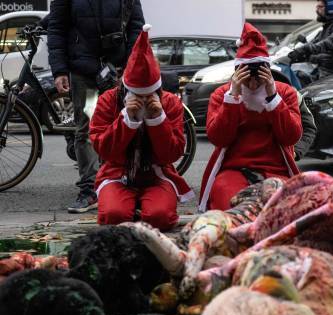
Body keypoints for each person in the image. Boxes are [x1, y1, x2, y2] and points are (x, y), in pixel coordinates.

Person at [89, 25, 194, 232]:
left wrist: (157, 119)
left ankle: (141, 209)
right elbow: (104, 149)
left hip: (157, 173)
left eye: (149, 95)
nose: (144, 101)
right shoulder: (109, 100)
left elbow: (171, 154)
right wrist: (127, 119)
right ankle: (130, 208)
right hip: (117, 173)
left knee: (160, 217)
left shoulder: (170, 103)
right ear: (125, 89)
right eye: (138, 95)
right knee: (113, 216)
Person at [47, 0, 145, 213]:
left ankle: (120, 181)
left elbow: (136, 27)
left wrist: (130, 66)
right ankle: (90, 189)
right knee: (89, 128)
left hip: (118, 73)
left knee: (123, 126)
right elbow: (57, 28)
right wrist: (60, 70)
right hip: (86, 73)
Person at [198, 24, 302, 212]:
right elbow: (218, 139)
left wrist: (272, 97)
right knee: (230, 207)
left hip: (275, 170)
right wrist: (232, 99)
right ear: (237, 73)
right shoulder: (222, 94)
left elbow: (291, 137)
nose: (253, 83)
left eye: (258, 78)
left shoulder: (284, 92)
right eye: (248, 78)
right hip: (233, 170)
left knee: (280, 210)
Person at [288, 0, 333, 78]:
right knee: (299, 76)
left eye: (320, 7)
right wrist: (300, 55)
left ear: (331, 8)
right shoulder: (326, 27)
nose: (316, 10)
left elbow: (327, 44)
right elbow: (315, 45)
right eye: (317, 7)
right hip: (325, 73)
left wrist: (304, 49)